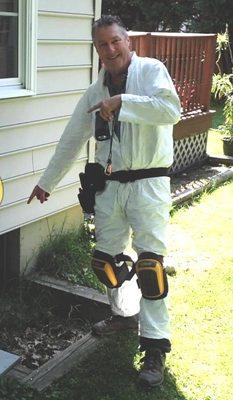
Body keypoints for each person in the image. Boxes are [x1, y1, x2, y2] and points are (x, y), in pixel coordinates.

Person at [28, 15, 181, 388]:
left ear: (127, 41)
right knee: (106, 261)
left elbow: (170, 110)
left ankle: (155, 346)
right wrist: (47, 182)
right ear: (96, 49)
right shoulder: (94, 92)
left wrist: (122, 102)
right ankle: (125, 314)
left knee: (150, 266)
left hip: (149, 184)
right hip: (109, 187)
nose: (110, 50)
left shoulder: (151, 71)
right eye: (102, 45)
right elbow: (72, 138)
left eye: (115, 41)